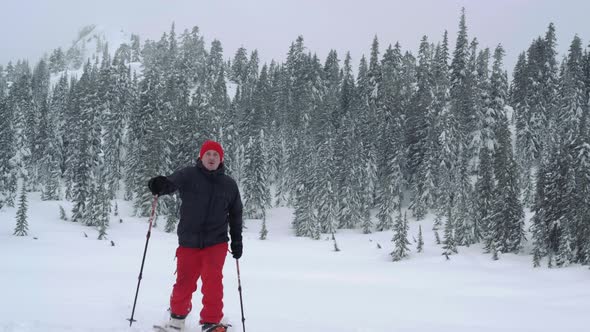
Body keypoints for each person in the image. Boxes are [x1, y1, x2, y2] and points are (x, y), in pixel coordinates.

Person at [148, 140, 243, 332]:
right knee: (185, 280)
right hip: (189, 241)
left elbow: (236, 213)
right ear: (201, 156)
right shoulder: (188, 174)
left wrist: (237, 240)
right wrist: (158, 184)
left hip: (216, 242)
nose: (211, 158)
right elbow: (170, 184)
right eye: (208, 154)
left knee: (212, 282)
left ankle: (211, 321)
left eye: (216, 155)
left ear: (221, 159)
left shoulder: (229, 184)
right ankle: (177, 319)